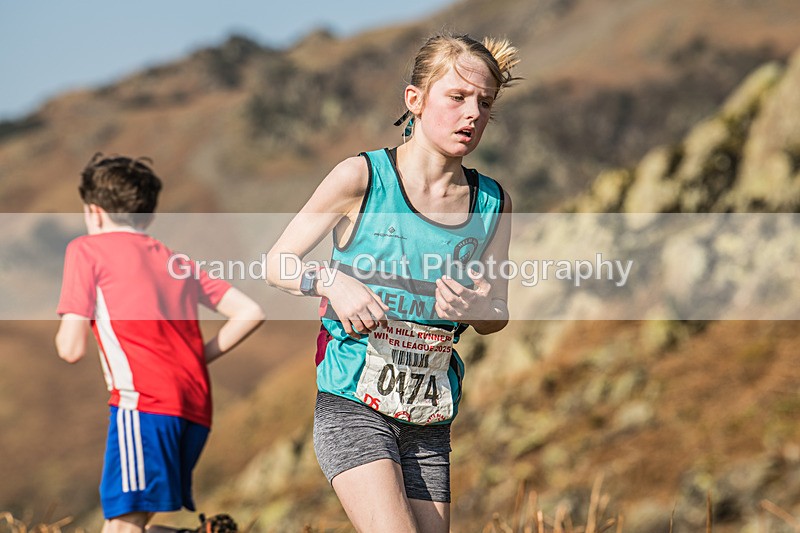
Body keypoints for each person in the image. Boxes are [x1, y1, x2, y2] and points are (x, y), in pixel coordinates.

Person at [266, 33, 518, 532]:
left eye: (485, 103)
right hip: (353, 403)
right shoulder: (361, 177)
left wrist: (476, 308)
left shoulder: (493, 203)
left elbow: (498, 314)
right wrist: (330, 281)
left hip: (429, 420)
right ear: (415, 100)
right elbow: (277, 263)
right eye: (457, 97)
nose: (472, 114)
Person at [55, 154, 264, 533]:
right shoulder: (176, 261)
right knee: (131, 520)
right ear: (148, 217)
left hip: (145, 404)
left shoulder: (86, 250)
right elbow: (250, 312)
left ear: (94, 213)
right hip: (195, 408)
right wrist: (197, 358)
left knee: (123, 525)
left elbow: (70, 349)